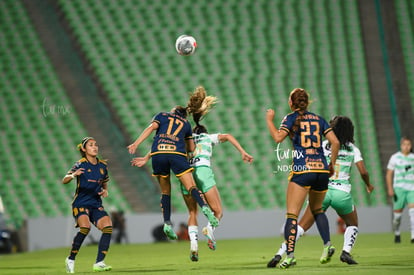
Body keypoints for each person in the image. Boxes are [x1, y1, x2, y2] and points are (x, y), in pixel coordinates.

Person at [132, 87, 254, 261]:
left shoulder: (175, 130)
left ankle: (193, 245)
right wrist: (243, 152)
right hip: (200, 170)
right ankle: (210, 229)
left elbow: (166, 143)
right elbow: (225, 136)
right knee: (218, 211)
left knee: (190, 212)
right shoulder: (202, 136)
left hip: (178, 165)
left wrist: (145, 156)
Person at [267, 115, 374, 267]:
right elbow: (363, 172)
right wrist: (368, 185)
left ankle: (279, 253)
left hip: (321, 191)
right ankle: (346, 252)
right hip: (341, 193)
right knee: (352, 224)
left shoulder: (322, 145)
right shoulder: (353, 149)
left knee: (301, 226)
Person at [127, 87, 219, 241]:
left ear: (173, 111)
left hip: (157, 154)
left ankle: (167, 223)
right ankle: (206, 209)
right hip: (177, 155)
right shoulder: (186, 124)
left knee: (165, 192)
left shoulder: (162, 115)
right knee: (191, 187)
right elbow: (191, 148)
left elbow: (151, 129)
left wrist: (137, 145)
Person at [265, 88, 340, 269]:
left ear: (291, 103)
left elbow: (277, 138)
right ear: (307, 102)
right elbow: (336, 142)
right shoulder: (319, 119)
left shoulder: (290, 118)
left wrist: (269, 120)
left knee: (292, 215)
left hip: (302, 169)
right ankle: (327, 244)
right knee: (317, 210)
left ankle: (290, 256)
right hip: (321, 170)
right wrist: (332, 165)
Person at [62, 137, 113, 273]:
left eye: (96, 144)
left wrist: (105, 190)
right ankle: (71, 259)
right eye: (91, 145)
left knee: (108, 227)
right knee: (85, 227)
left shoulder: (102, 165)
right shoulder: (80, 164)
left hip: (95, 203)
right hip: (81, 203)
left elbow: (104, 180)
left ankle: (99, 262)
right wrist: (74, 175)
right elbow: (64, 180)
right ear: (84, 149)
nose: (95, 147)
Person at [386, 136, 414, 243]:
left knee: (413, 213)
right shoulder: (395, 157)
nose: (407, 147)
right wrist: (390, 188)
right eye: (405, 144)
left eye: (409, 145)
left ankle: (413, 236)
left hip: (412, 188)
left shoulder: (413, 157)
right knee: (397, 216)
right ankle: (397, 232)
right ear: (401, 145)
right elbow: (389, 174)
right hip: (399, 189)